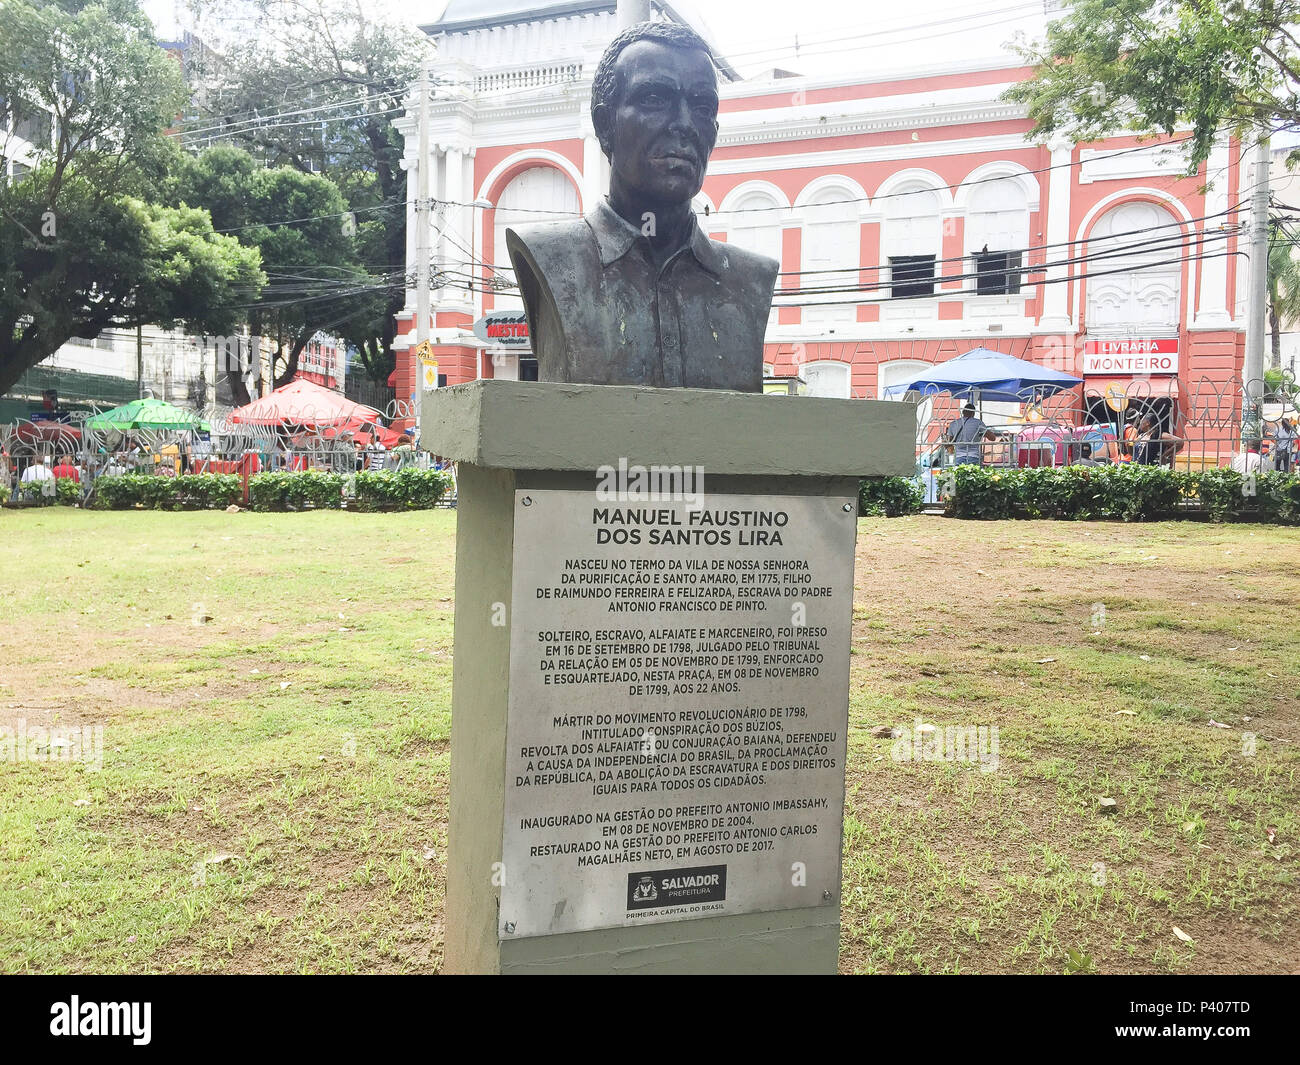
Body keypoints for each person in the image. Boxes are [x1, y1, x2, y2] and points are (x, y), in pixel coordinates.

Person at [506, 20, 778, 390]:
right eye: (654, 99)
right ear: (605, 125)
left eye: (701, 106)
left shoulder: (750, 280)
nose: (685, 124)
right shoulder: (549, 256)